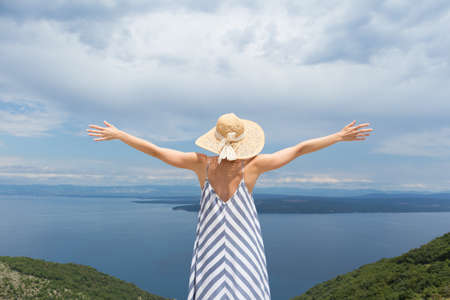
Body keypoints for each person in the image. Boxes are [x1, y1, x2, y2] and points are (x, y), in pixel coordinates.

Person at [86, 112, 373, 299]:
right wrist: (338, 136)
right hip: (246, 250)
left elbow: (157, 152)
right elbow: (298, 148)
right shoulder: (253, 167)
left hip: (210, 250)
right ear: (245, 142)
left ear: (216, 140)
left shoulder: (201, 164)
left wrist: (121, 136)